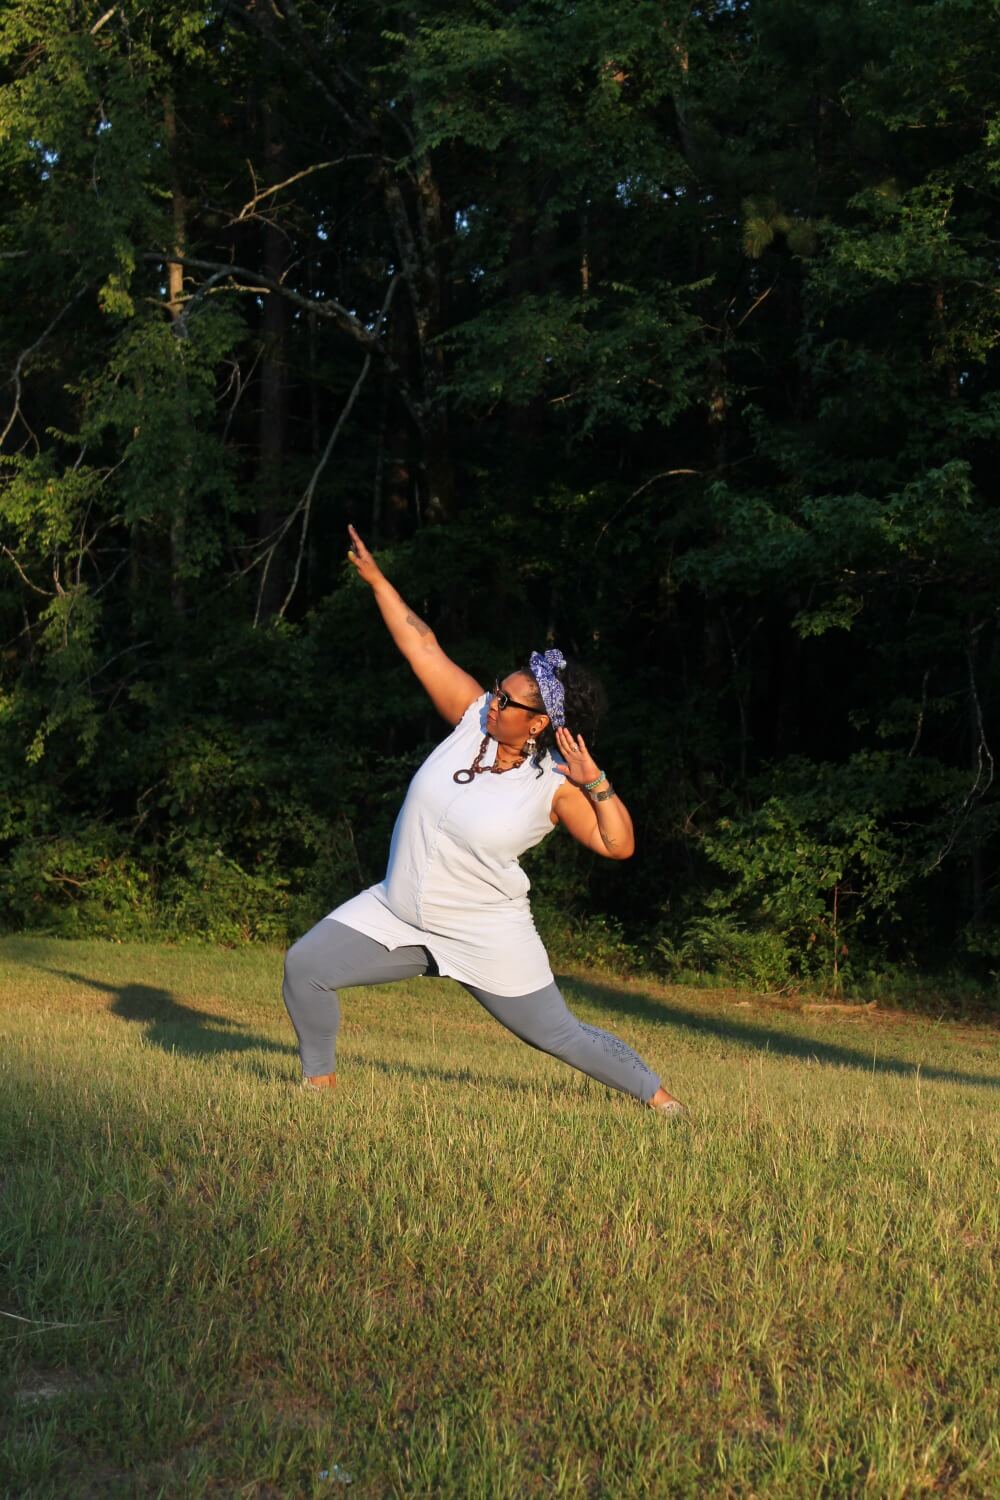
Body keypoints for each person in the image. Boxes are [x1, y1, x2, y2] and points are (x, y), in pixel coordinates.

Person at [281, 524, 685, 1116]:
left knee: (558, 1034)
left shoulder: (554, 784)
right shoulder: (471, 721)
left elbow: (617, 844)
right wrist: (377, 580)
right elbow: (422, 645)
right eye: (497, 690)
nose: (494, 701)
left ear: (538, 723)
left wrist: (596, 782)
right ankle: (319, 1092)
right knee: (306, 966)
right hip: (397, 909)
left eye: (507, 701)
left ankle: (661, 1100)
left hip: (484, 931)